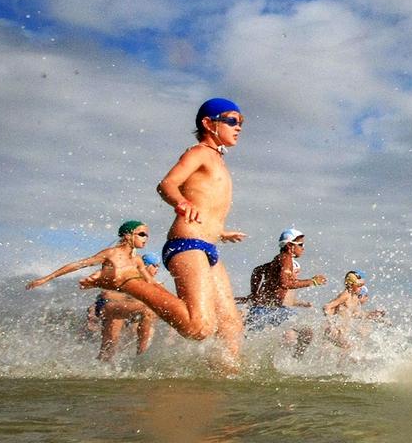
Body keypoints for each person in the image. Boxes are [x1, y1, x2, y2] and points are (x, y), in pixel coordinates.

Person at [82, 98, 249, 367]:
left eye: (241, 122)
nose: (238, 126)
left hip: (207, 245)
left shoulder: (217, 160)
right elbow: (167, 184)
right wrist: (180, 203)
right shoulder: (199, 152)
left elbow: (208, 205)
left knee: (231, 326)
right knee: (199, 328)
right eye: (231, 120)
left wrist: (220, 231)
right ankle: (127, 280)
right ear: (208, 123)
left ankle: (224, 379)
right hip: (187, 243)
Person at [27, 221, 160, 361]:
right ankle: (142, 358)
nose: (146, 238)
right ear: (127, 235)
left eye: (147, 235)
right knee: (147, 311)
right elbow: (78, 265)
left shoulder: (137, 260)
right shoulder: (111, 254)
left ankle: (89, 372)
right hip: (108, 305)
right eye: (142, 234)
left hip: (122, 307)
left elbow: (151, 283)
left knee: (107, 353)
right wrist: (46, 278)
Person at [323, 270, 385, 348]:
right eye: (359, 285)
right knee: (351, 349)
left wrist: (374, 315)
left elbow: (357, 314)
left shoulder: (355, 298)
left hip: (341, 333)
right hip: (334, 331)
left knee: (355, 350)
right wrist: (331, 324)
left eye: (362, 285)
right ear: (351, 284)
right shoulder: (346, 295)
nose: (361, 288)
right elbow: (327, 307)